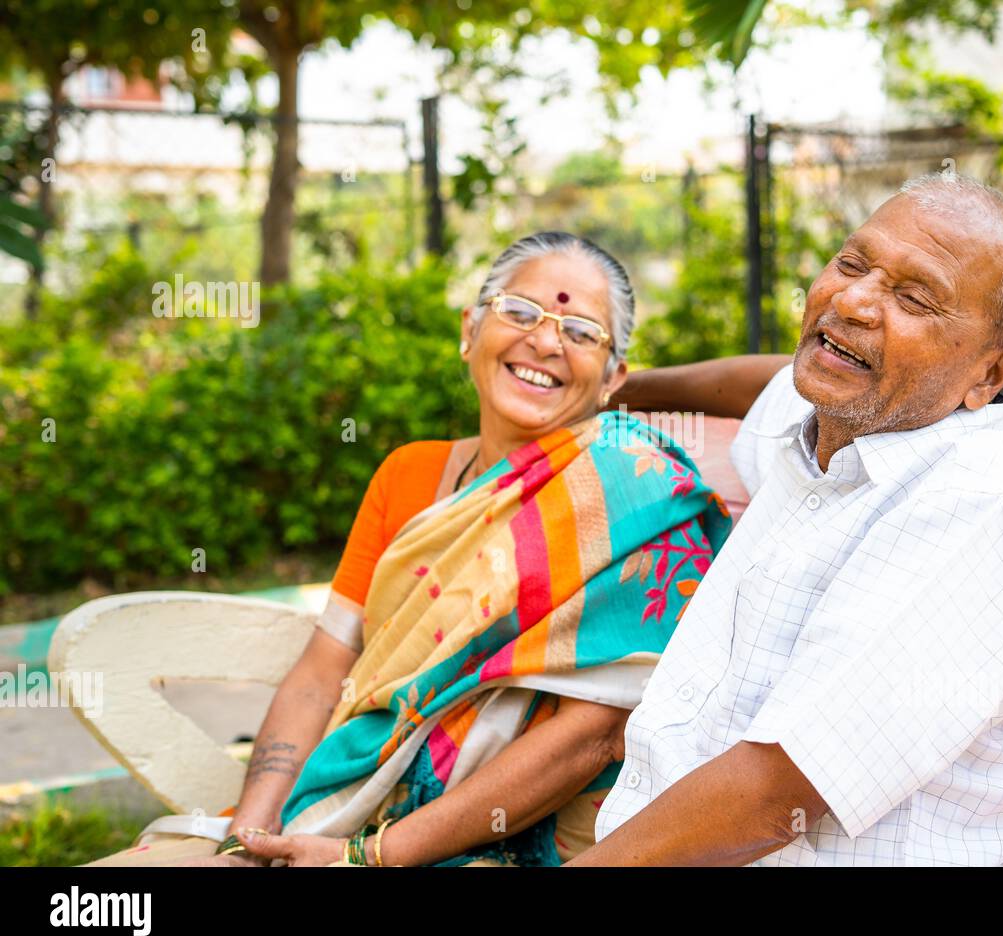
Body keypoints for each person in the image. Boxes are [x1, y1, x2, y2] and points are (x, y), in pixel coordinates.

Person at [83, 231, 731, 867]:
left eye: (581, 332)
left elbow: (589, 736)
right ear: (469, 329)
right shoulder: (409, 475)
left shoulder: (638, 493)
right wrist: (248, 835)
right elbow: (324, 665)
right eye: (520, 312)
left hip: (503, 842)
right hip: (337, 805)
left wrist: (369, 855)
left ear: (615, 374)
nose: (544, 340)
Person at [572, 173, 1003, 866]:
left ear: (989, 374)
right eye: (851, 265)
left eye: (913, 298)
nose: (851, 300)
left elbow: (773, 797)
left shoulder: (980, 502)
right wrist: (621, 387)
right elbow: (757, 381)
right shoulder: (833, 425)